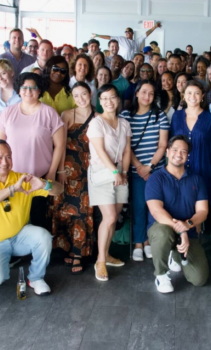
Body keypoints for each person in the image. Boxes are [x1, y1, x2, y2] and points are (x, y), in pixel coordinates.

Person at [0, 140, 62, 294]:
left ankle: (36, 278)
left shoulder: (22, 178)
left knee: (43, 236)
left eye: (8, 157)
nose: (4, 162)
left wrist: (44, 185)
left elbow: (59, 190)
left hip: (18, 238)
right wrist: (13, 189)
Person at [0, 73, 65, 229]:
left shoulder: (49, 113)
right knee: (12, 221)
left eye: (33, 88)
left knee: (39, 219)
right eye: (24, 87)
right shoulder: (8, 112)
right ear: (19, 90)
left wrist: (52, 172)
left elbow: (59, 145)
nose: (28, 91)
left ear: (39, 91)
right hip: (12, 177)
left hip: (39, 177)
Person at [145, 135, 209, 293]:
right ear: (167, 152)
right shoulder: (156, 179)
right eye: (174, 150)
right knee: (163, 232)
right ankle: (161, 275)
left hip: (188, 231)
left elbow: (203, 211)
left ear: (188, 156)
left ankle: (174, 254)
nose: (178, 154)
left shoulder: (197, 179)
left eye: (184, 151)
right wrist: (181, 230)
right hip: (162, 228)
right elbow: (156, 211)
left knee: (199, 279)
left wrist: (187, 226)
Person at [120, 80, 170, 263]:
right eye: (144, 92)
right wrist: (139, 167)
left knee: (154, 207)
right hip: (135, 171)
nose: (147, 96)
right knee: (139, 207)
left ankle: (149, 241)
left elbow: (163, 145)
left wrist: (149, 166)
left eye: (151, 94)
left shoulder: (160, 116)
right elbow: (126, 145)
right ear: (136, 93)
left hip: (156, 171)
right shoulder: (126, 115)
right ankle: (138, 243)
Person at [87, 84, 131, 281]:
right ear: (100, 101)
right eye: (104, 98)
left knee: (115, 215)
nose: (109, 102)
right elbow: (100, 151)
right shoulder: (97, 123)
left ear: (118, 99)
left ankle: (106, 254)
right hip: (102, 173)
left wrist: (123, 172)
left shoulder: (124, 123)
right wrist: (114, 171)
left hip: (120, 173)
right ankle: (100, 261)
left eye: (112, 97)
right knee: (110, 216)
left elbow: (127, 150)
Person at [53, 82, 95, 274]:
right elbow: (59, 146)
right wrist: (60, 171)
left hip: (89, 169)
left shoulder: (98, 116)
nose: (80, 99)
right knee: (64, 209)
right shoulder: (67, 115)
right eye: (76, 95)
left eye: (83, 94)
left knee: (82, 209)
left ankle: (79, 253)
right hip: (68, 168)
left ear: (90, 93)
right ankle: (66, 248)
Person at [171, 81, 211, 232]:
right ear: (184, 96)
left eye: (197, 93)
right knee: (180, 204)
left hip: (203, 169)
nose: (192, 96)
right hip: (179, 170)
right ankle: (180, 242)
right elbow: (172, 145)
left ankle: (195, 243)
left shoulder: (210, 118)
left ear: (202, 97)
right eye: (189, 93)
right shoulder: (177, 116)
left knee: (198, 207)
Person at [93, 23, 162, 60]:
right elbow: (109, 37)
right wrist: (98, 35)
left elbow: (146, 34)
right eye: (126, 32)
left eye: (129, 31)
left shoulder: (137, 42)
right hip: (122, 63)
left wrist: (154, 27)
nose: (127, 33)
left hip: (134, 64)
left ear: (132, 33)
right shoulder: (122, 39)